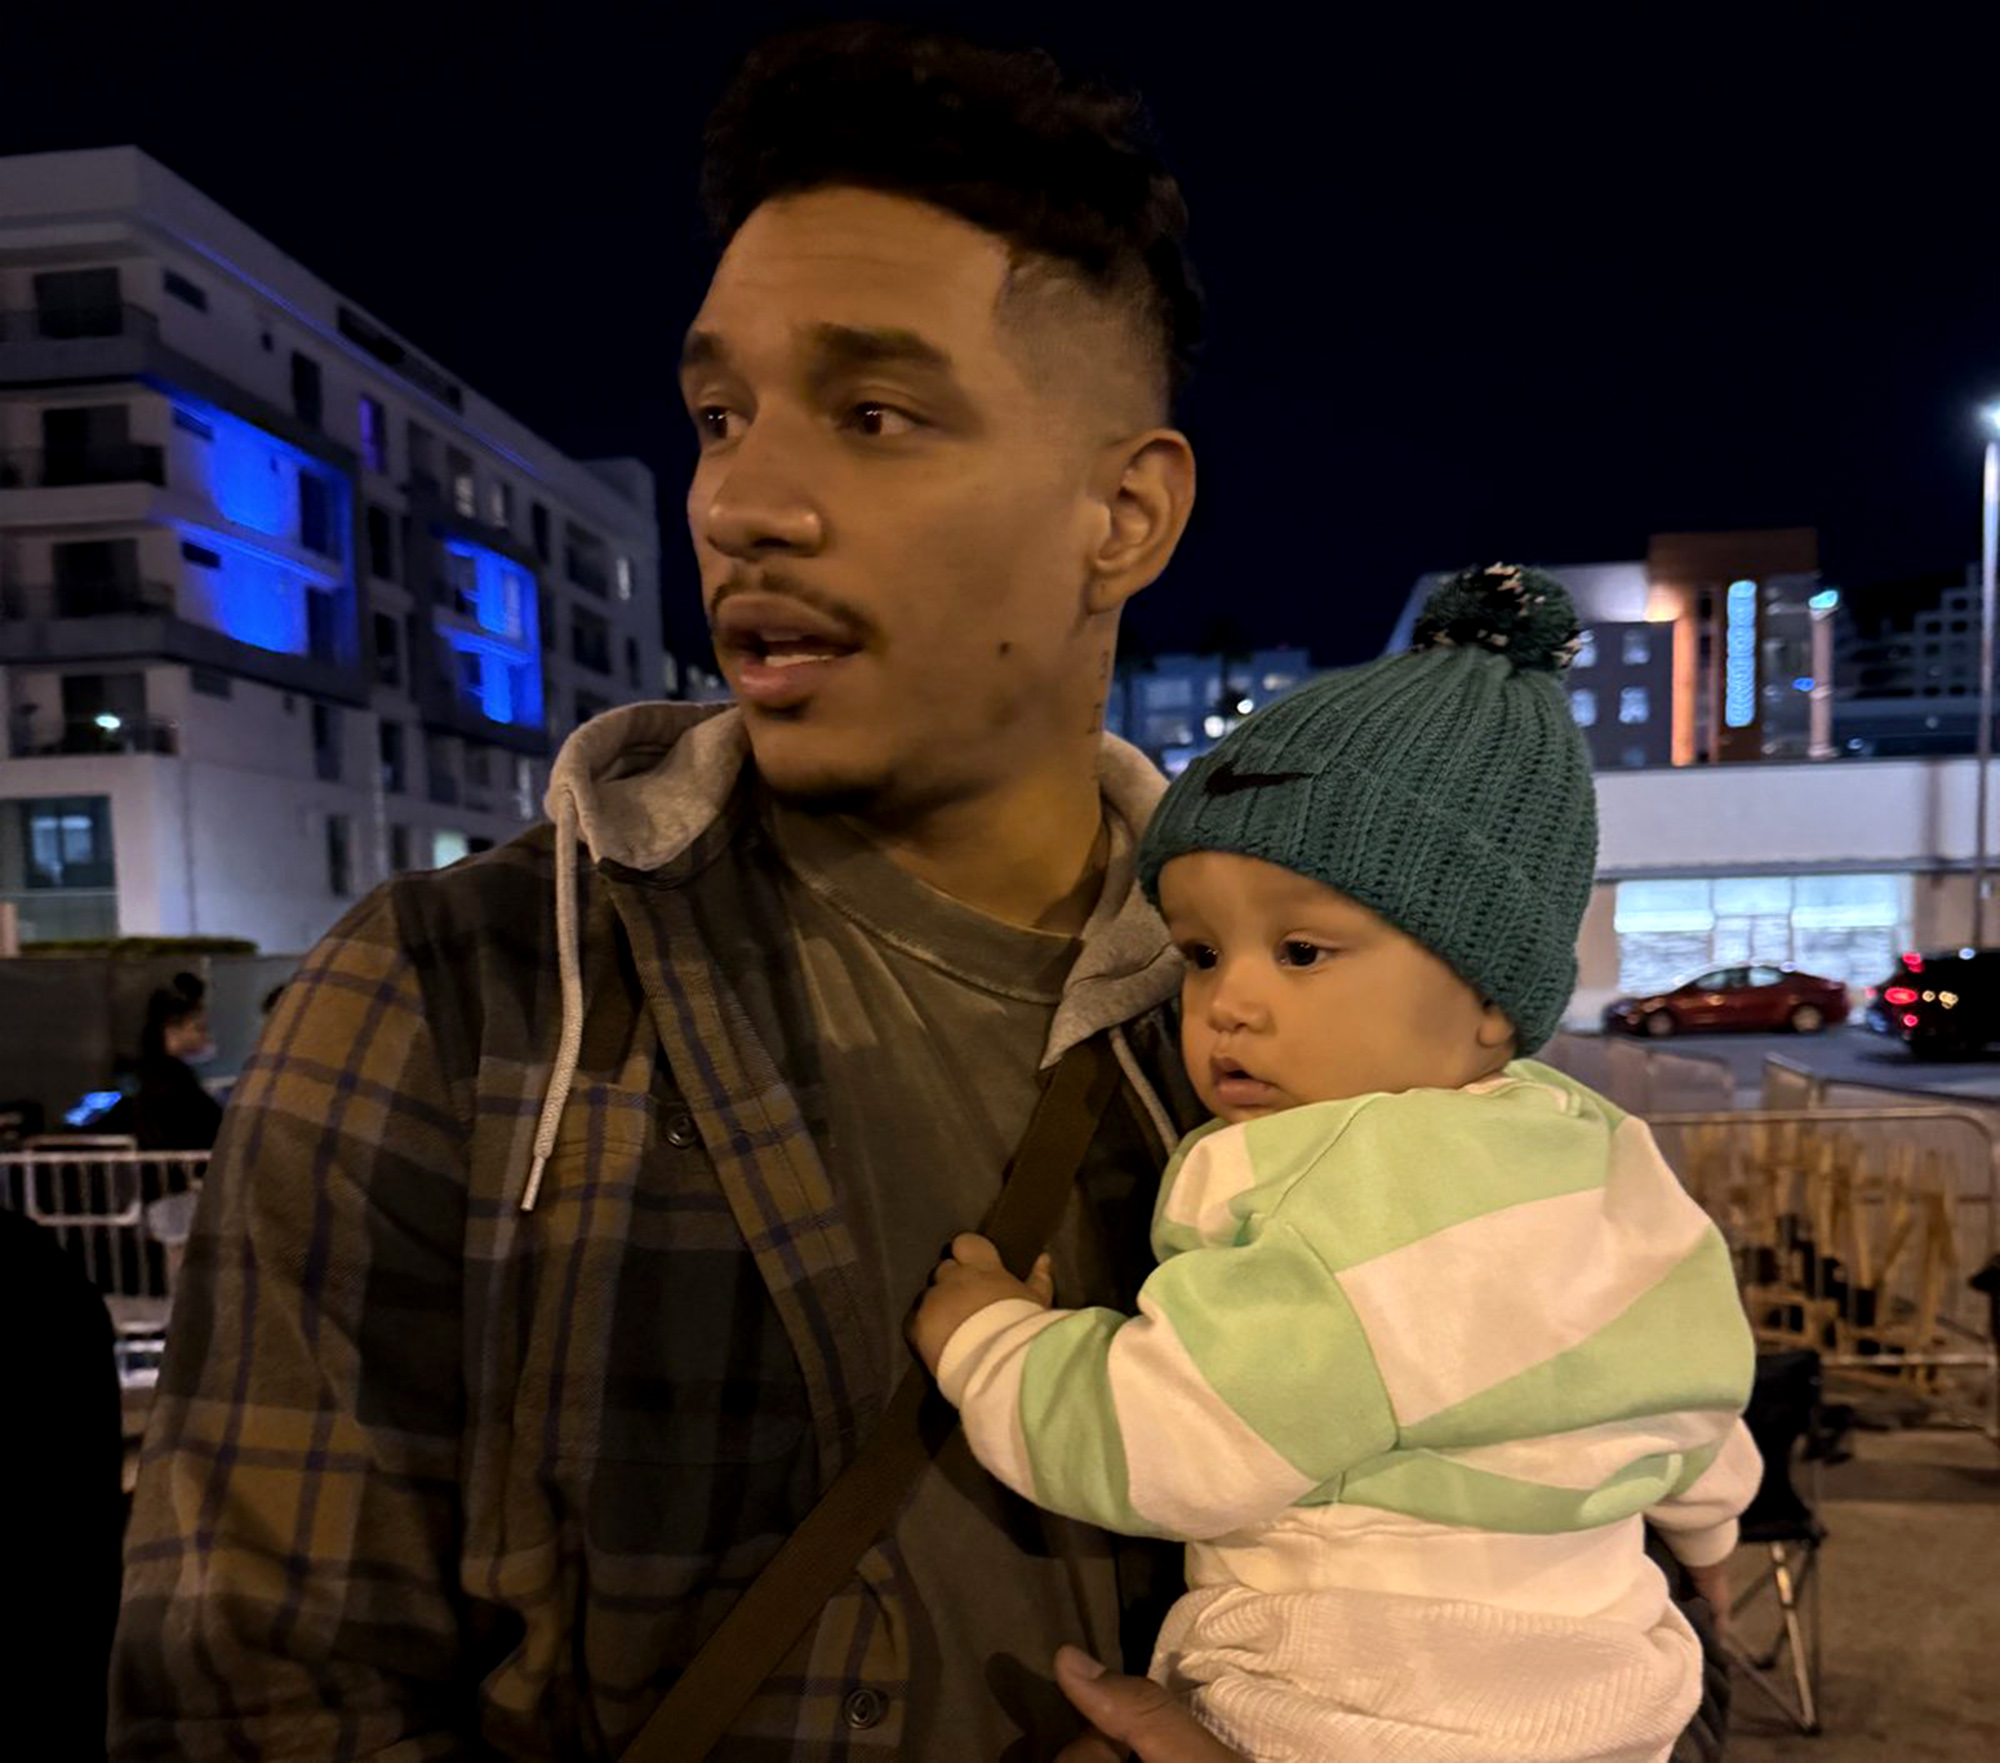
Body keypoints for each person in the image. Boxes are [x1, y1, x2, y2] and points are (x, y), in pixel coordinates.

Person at [112, 22, 1235, 1760]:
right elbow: (250, 1694)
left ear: (1125, 514)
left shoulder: (1298, 1007)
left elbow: (1567, 1604)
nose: (742, 501)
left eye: (872, 413)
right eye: (720, 415)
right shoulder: (460, 994)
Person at [913, 566, 1762, 1762]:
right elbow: (1694, 1399)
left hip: (1370, 1700)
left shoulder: (1339, 1189)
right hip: (1613, 1687)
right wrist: (1712, 1547)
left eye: (1302, 949)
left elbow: (1170, 1443)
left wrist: (988, 1337)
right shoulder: (1600, 1156)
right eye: (1199, 952)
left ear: (1485, 997)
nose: (1225, 1004)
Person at [102, 971, 222, 1152]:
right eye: (198, 1028)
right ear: (172, 1029)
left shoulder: (149, 1072)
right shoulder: (173, 1080)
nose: (205, 1037)